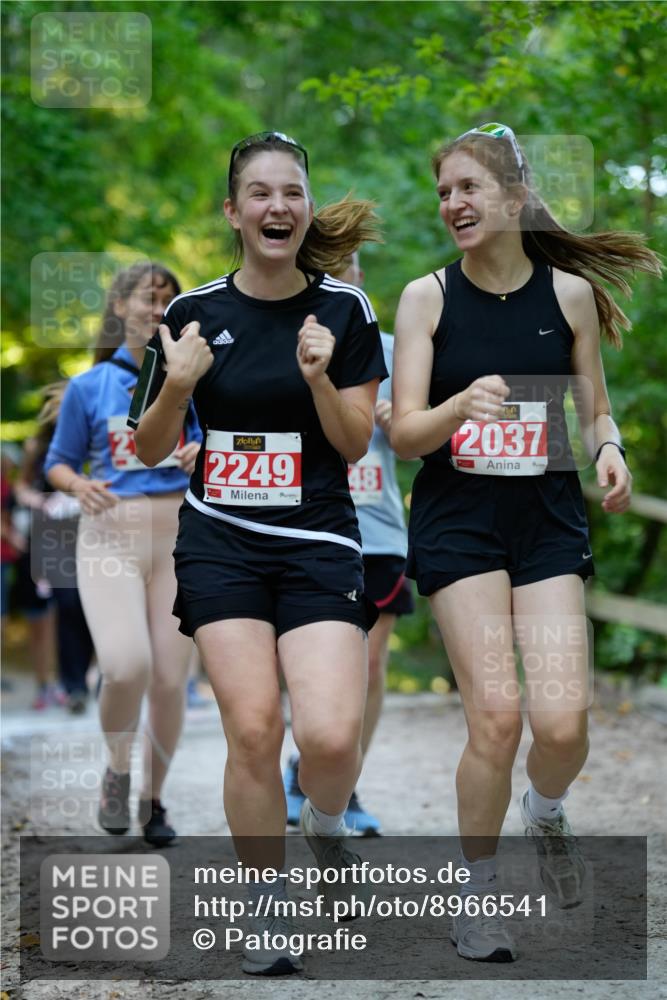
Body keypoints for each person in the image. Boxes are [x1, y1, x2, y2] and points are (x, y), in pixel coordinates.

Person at [390, 123, 661, 962]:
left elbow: (595, 410)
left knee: (564, 724)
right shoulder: (426, 298)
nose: (452, 204)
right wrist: (456, 407)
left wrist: (611, 450)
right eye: (443, 192)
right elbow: (404, 433)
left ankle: (543, 811)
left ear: (512, 198)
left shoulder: (567, 297)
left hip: (545, 520)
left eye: (468, 188)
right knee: (497, 718)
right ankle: (476, 896)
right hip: (459, 522)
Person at [131, 131, 386, 975]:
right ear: (233, 212)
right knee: (251, 726)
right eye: (261, 193)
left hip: (316, 540)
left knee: (331, 736)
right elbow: (147, 447)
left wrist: (319, 379)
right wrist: (177, 385)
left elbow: (355, 445)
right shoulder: (189, 313)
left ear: (305, 207)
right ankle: (267, 905)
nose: (278, 206)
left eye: (292, 192)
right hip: (221, 542)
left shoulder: (345, 312)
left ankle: (323, 823)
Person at [45, 261, 200, 845]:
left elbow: (216, 442)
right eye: (146, 298)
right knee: (125, 665)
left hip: (180, 538)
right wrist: (77, 484)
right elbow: (57, 463)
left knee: (170, 679)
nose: (157, 309)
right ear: (119, 307)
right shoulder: (89, 387)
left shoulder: (192, 379)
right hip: (110, 535)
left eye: (167, 300)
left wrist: (200, 452)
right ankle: (117, 769)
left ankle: (154, 801)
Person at [283, 251, 414, 835]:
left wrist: (395, 423)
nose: (341, 274)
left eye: (350, 265)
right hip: (303, 526)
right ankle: (305, 764)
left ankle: (342, 783)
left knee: (368, 663)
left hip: (377, 531)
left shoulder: (393, 350)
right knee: (305, 669)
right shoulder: (284, 340)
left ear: (361, 276)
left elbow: (425, 438)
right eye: (328, 265)